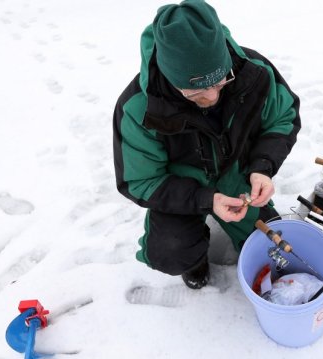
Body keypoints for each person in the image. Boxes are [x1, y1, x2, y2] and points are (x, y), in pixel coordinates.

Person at [112, 0, 300, 289]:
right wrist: (205, 199)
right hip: (183, 187)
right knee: (170, 252)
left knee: (270, 245)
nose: (212, 97)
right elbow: (141, 181)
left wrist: (263, 166)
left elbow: (282, 118)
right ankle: (194, 262)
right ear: (171, 77)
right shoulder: (140, 108)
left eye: (221, 82)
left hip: (238, 180)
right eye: (196, 90)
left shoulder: (253, 72)